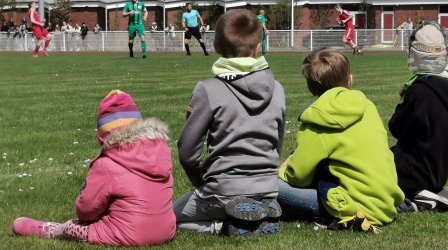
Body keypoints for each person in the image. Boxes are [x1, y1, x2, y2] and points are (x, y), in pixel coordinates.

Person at [12, 90, 176, 246]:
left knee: (71, 228)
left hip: (130, 235)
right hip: (167, 230)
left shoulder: (106, 164)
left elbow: (85, 210)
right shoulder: (162, 153)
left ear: (104, 135)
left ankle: (50, 229)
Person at [173, 9, 286, 237]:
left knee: (166, 219)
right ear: (257, 47)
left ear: (216, 48)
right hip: (268, 188)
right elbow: (278, 142)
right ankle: (261, 210)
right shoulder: (278, 89)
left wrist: (201, 181)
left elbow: (187, 150)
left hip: (222, 189)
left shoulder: (208, 89)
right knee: (238, 198)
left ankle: (225, 227)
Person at [277, 48, 403, 235]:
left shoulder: (316, 121)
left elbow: (299, 176)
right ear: (349, 80)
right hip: (386, 203)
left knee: (264, 182)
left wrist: (282, 169)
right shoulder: (368, 107)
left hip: (350, 206)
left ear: (310, 87)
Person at [388, 21, 448, 212]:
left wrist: (402, 104)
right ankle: (424, 192)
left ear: (412, 54)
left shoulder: (420, 91)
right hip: (437, 171)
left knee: (366, 171)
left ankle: (414, 199)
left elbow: (396, 128)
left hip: (414, 171)